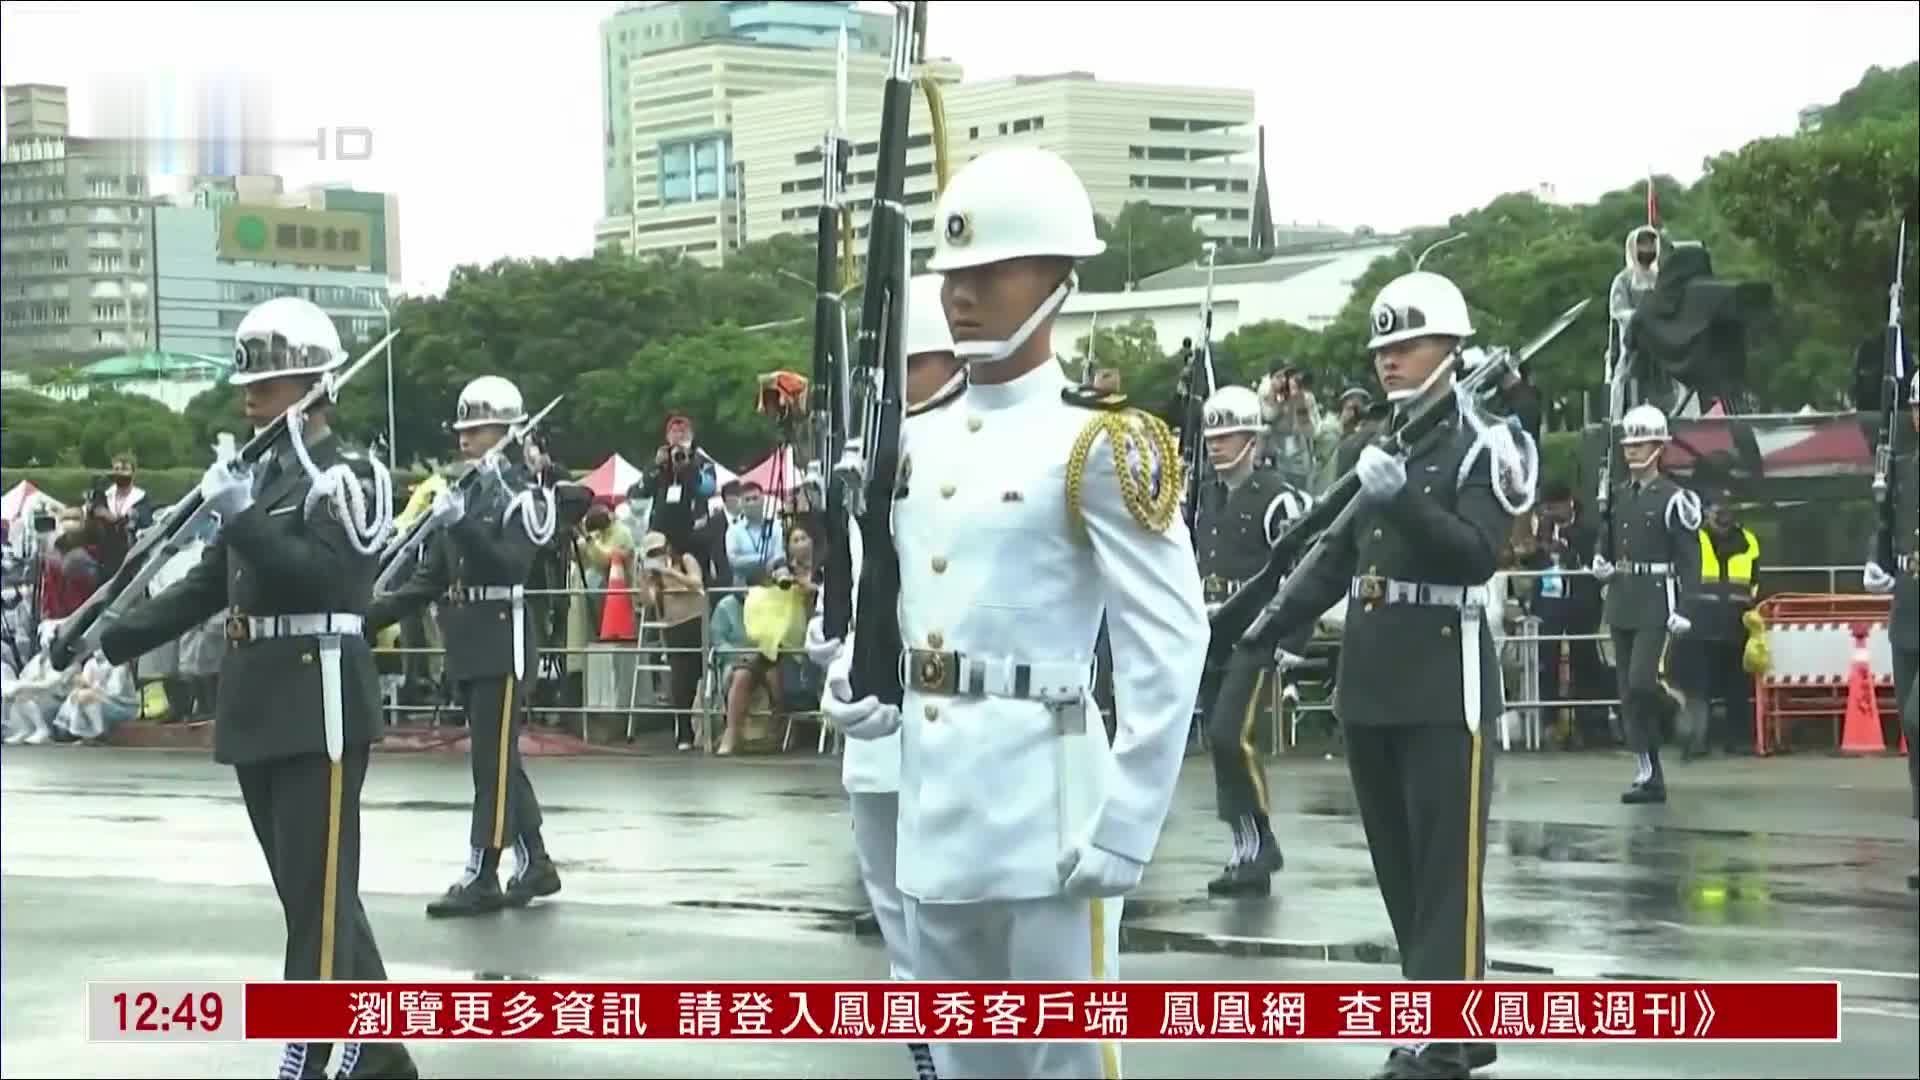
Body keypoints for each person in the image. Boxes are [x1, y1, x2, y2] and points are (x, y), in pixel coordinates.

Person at [819, 145, 1208, 1080]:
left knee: (1066, 1066)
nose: (961, 295)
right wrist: (856, 679)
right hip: (937, 804)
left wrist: (1128, 819)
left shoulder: (1100, 443)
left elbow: (1171, 640)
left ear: (1057, 279)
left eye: (989, 272)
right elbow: (896, 604)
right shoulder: (911, 445)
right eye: (954, 273)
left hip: (1053, 814)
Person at [92, 295, 416, 1080]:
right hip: (261, 703)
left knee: (320, 894)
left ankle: (317, 1045)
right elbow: (211, 584)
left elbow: (335, 583)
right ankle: (376, 1049)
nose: (248, 397)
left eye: (265, 386)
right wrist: (114, 633)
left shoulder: (349, 475)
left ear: (311, 387)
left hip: (321, 699)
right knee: (312, 893)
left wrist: (242, 517)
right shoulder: (264, 476)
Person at [1241, 270, 1530, 1080]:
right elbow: (1337, 556)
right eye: (1382, 347)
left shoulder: (1485, 438)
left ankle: (1445, 1032)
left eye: (1406, 344)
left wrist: (1401, 500)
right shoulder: (1384, 445)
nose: (1389, 360)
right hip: (1372, 673)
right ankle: (1442, 1018)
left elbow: (1475, 555)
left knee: (1445, 867)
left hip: (1444, 673)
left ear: (1450, 345)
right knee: (1400, 865)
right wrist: (1264, 632)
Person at [806, 272, 961, 1080]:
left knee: (955, 927)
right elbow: (858, 588)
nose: (895, 389)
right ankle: (929, 1060)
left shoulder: (963, 461)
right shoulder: (870, 464)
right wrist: (832, 649)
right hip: (873, 741)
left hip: (949, 730)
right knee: (899, 922)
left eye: (913, 367)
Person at [368, 375, 563, 918]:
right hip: (468, 641)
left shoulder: (524, 494)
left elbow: (514, 564)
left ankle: (482, 874)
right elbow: (429, 579)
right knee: (498, 760)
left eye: (475, 428)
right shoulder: (468, 492)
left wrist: (466, 528)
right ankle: (536, 861)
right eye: (463, 428)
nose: (464, 438)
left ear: (504, 429)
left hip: (503, 637)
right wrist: (363, 620)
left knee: (490, 766)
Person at [1192, 383, 1313, 897]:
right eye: (1212, 435)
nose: (1217, 444)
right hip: (1213, 633)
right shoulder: (1204, 498)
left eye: (1230, 434)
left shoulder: (1277, 497)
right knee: (1217, 745)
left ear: (1253, 439)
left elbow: (1306, 570)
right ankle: (1247, 848)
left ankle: (1261, 844)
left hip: (1258, 633)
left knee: (1229, 735)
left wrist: (1294, 636)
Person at [1591, 403, 1701, 804]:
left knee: (1641, 681)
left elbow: (1691, 558)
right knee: (1627, 693)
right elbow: (1605, 544)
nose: (1632, 451)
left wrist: (1686, 606)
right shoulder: (1618, 496)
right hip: (1622, 597)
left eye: (1641, 444)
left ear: (1659, 447)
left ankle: (1674, 707)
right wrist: (1600, 563)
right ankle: (1648, 773)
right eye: (1629, 444)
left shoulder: (1674, 498)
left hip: (1657, 598)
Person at [1863, 366, 1918, 890]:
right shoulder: (1901, 468)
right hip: (1908, 605)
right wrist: (1875, 561)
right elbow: (1885, 525)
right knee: (1910, 721)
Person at [1672, 487, 1759, 758]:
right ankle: (1697, 741)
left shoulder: (1749, 540)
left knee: (1737, 688)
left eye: (1727, 508)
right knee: (1698, 688)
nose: (1723, 514)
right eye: (1717, 509)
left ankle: (1738, 741)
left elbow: (1755, 582)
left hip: (1735, 624)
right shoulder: (1692, 539)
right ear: (1705, 512)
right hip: (1698, 625)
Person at [639, 528, 706, 750]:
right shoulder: (653, 577)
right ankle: (683, 730)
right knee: (680, 680)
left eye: (658, 550)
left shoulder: (685, 560)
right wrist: (645, 577)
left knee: (702, 672)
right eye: (651, 553)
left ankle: (706, 727)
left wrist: (671, 572)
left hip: (696, 621)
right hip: (673, 627)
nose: (656, 555)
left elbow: (696, 583)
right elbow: (647, 601)